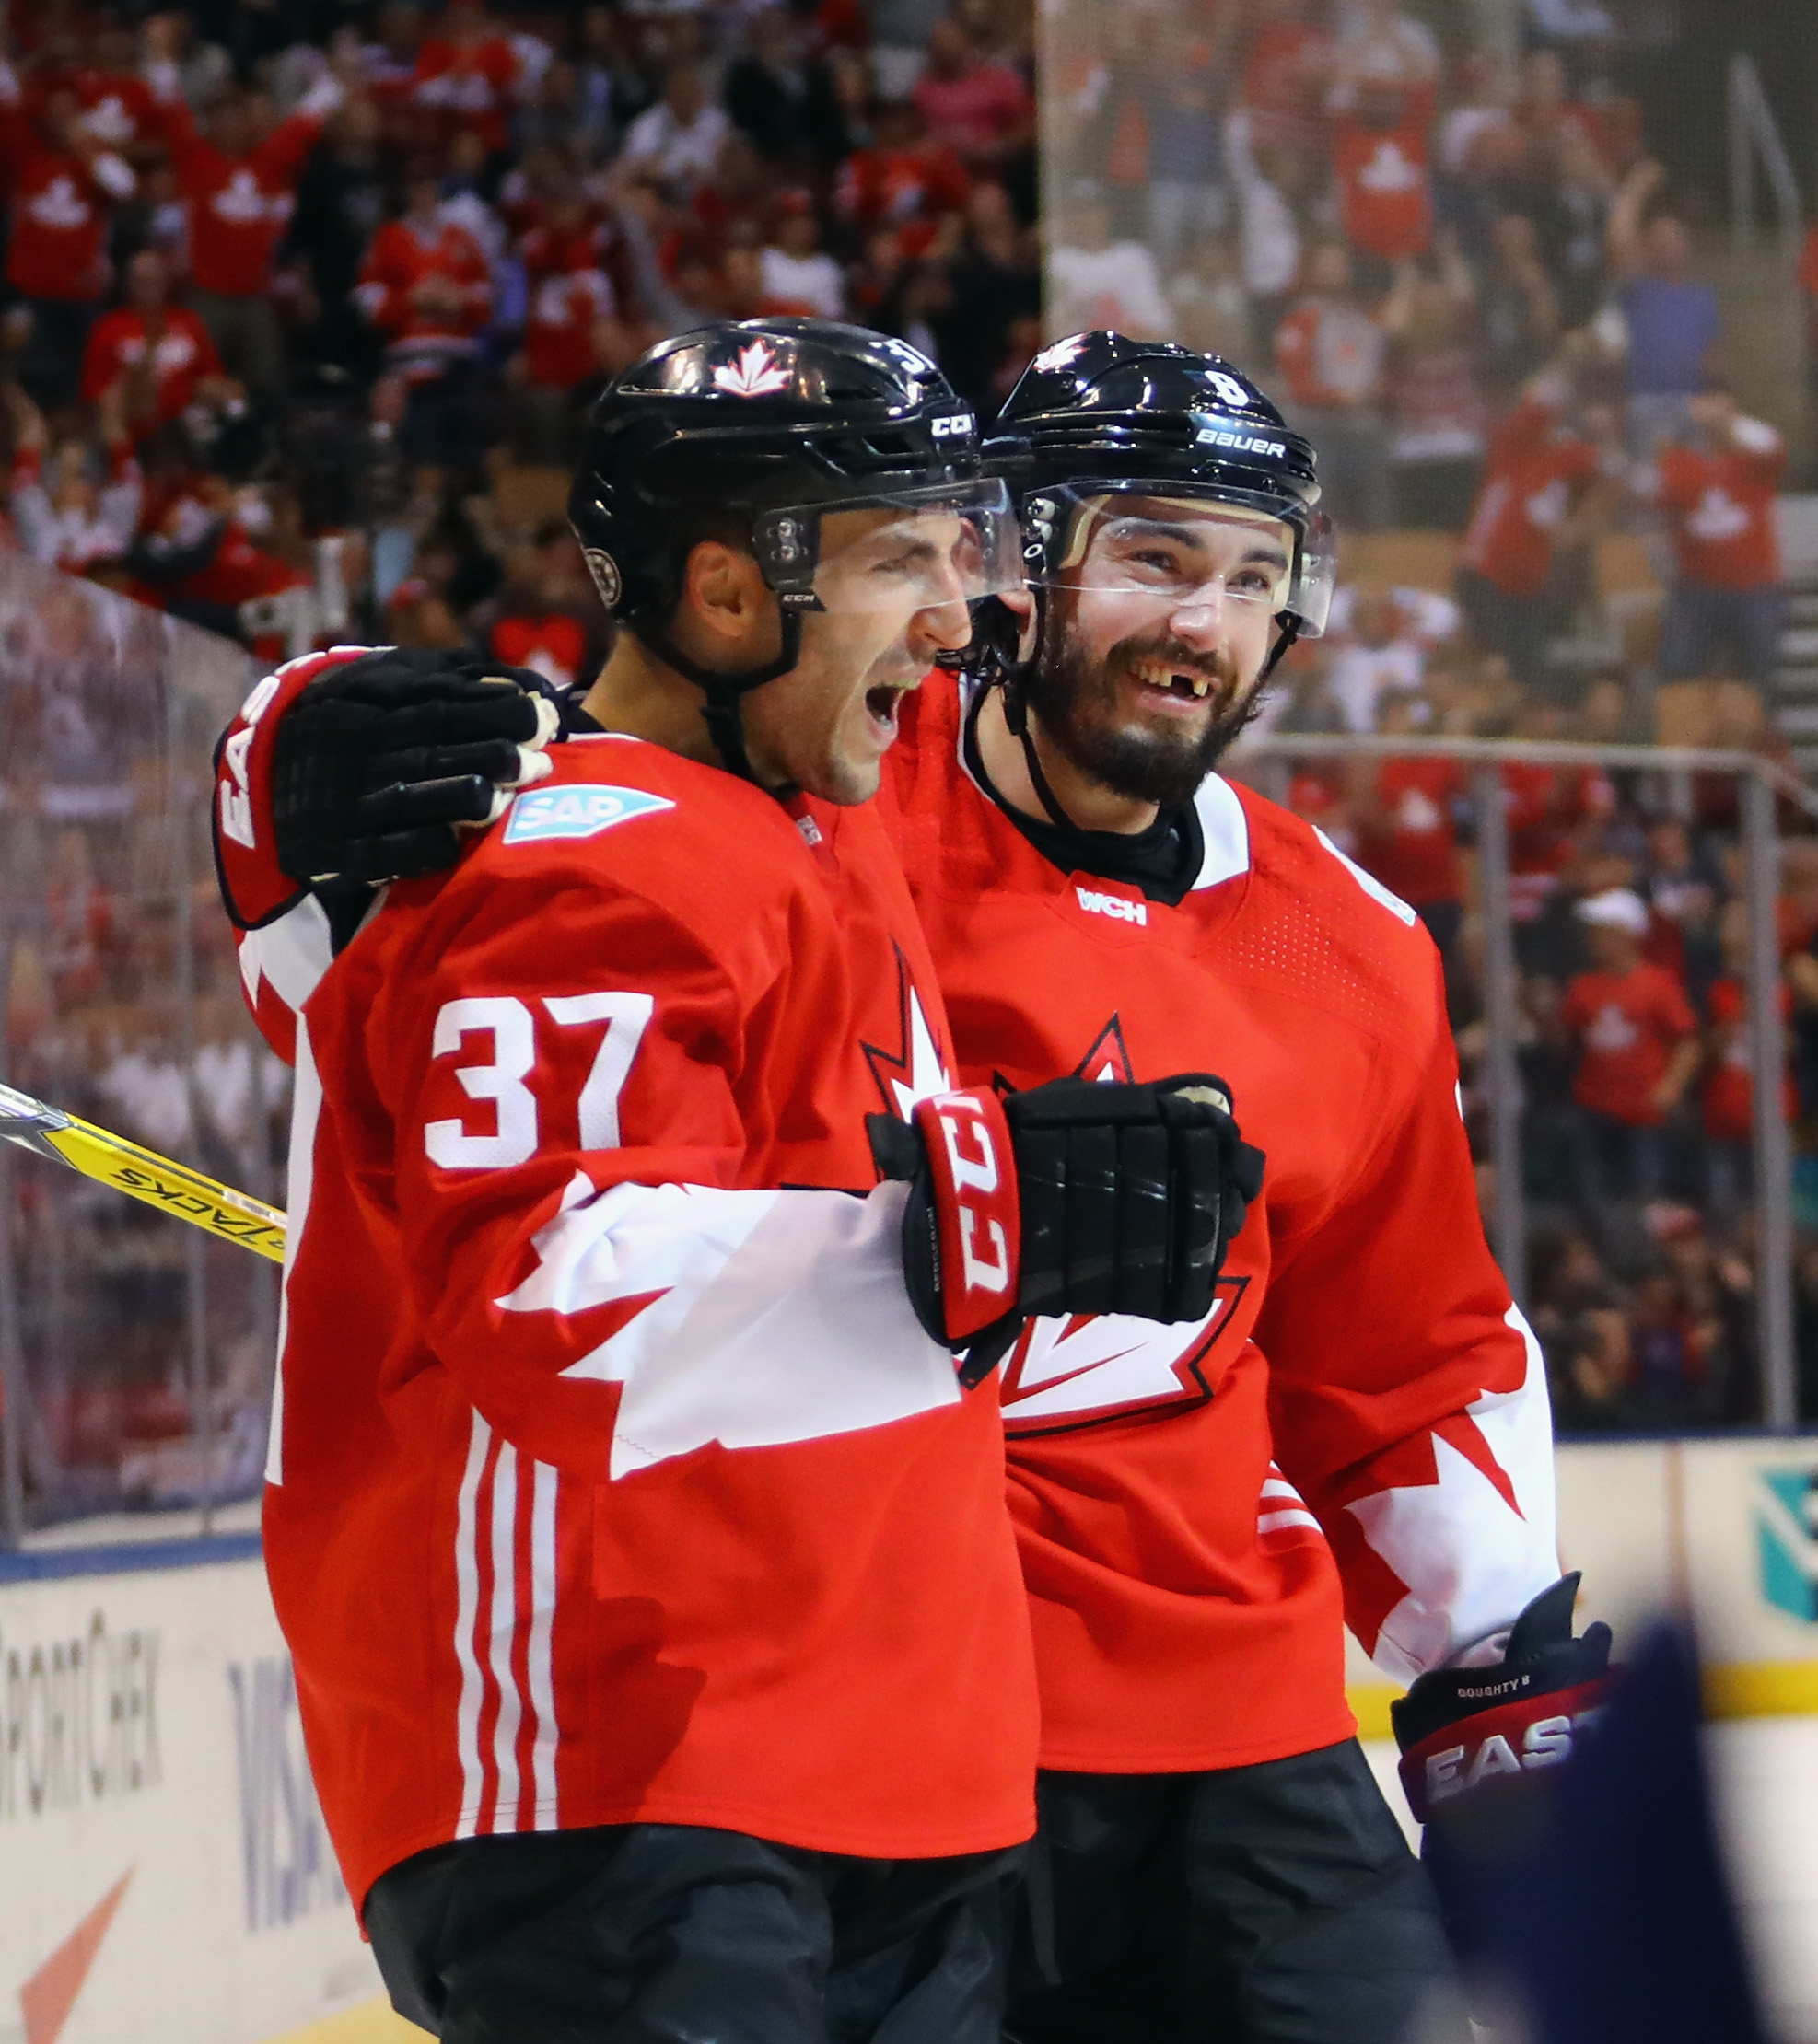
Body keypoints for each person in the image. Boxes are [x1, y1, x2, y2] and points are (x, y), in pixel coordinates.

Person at [237, 331, 1611, 2044]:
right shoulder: (819, 778)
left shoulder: (1349, 949)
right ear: (1017, 566)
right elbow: (514, 855)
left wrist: (1489, 1653)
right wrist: (293, 762)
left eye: (1250, 576)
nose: (1197, 621)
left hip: (1214, 1712)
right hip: (849, 1698)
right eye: (1152, 557)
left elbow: (1401, 1350)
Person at [1561, 887, 1700, 1211]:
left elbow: (1687, 1041)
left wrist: (1671, 1086)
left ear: (1626, 935)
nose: (1593, 940)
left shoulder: (1657, 985)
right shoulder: (1583, 986)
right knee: (1595, 1197)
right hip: (1594, 1104)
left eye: (1602, 932)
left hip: (1643, 1109)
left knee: (1646, 1196)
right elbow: (1569, 1039)